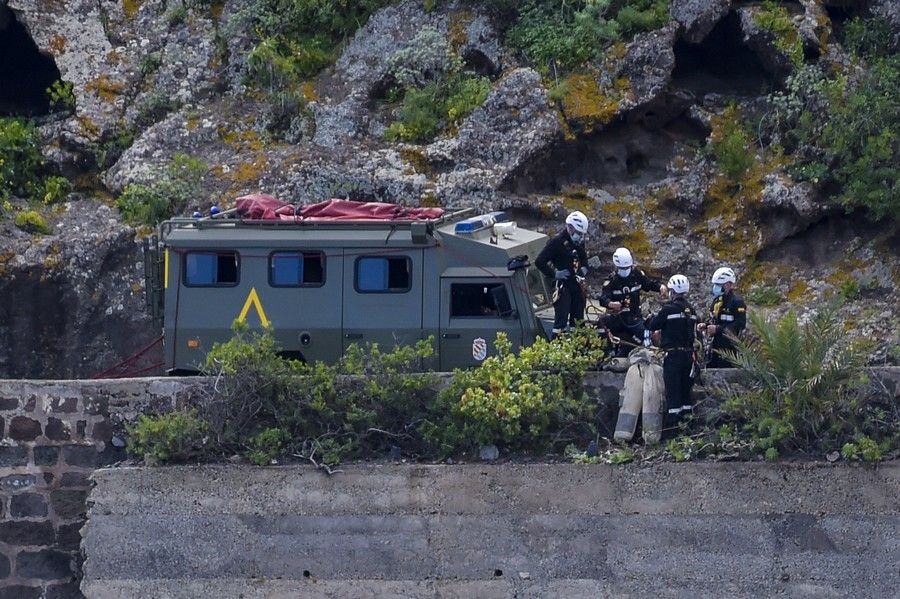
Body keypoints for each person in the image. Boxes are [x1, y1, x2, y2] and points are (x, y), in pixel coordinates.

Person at [647, 274, 698, 431]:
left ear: (673, 291)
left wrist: (649, 317)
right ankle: (688, 427)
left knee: (673, 393)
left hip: (673, 357)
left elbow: (652, 325)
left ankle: (673, 430)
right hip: (689, 357)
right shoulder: (691, 310)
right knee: (685, 393)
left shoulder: (668, 310)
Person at [597, 247, 667, 355]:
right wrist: (610, 304)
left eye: (627, 268)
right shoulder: (611, 280)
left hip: (634, 317)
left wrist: (660, 287)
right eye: (622, 268)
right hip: (618, 317)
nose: (625, 271)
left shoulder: (636, 274)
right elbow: (603, 298)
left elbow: (648, 284)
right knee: (601, 322)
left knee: (645, 335)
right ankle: (607, 352)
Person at [535, 211, 590, 337]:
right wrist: (554, 274)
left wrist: (584, 269)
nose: (580, 236)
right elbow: (540, 261)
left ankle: (577, 347)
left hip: (577, 285)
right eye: (578, 233)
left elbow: (583, 258)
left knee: (578, 320)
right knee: (561, 320)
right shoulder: (556, 242)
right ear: (570, 228)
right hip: (562, 287)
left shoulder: (578, 242)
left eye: (581, 234)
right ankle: (556, 347)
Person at [701, 266, 747, 368]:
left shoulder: (737, 302)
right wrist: (705, 325)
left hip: (730, 349)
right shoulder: (717, 301)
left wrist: (718, 329)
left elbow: (740, 325)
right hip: (716, 346)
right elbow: (714, 319)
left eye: (718, 285)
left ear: (728, 284)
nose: (715, 287)